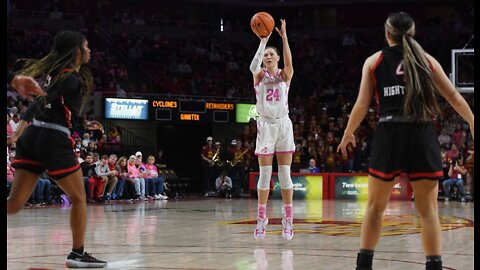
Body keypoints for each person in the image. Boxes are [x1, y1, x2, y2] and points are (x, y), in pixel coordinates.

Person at [336, 12, 474, 270]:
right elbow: (454, 97)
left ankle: (363, 265)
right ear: (412, 33)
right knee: (429, 211)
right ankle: (433, 266)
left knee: (375, 207)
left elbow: (361, 105)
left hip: (389, 132)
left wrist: (348, 132)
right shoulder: (427, 61)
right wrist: (473, 122)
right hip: (421, 132)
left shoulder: (374, 61)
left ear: (387, 34)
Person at [6, 30, 107, 268]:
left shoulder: (54, 75)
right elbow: (43, 104)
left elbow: (47, 105)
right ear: (76, 51)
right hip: (53, 138)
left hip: (33, 137)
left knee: (14, 204)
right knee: (80, 197)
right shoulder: (71, 78)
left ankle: (78, 254)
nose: (90, 50)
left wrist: (21, 133)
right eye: (87, 46)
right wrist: (19, 130)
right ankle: (77, 254)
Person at [249, 19, 295, 240]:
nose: (268, 57)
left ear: (277, 58)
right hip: (266, 125)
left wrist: (284, 38)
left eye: (271, 54)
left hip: (283, 124)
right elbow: (252, 66)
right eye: (266, 55)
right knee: (265, 175)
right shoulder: (259, 76)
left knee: (285, 174)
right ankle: (261, 218)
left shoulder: (284, 76)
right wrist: (263, 41)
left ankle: (288, 218)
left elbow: (289, 64)